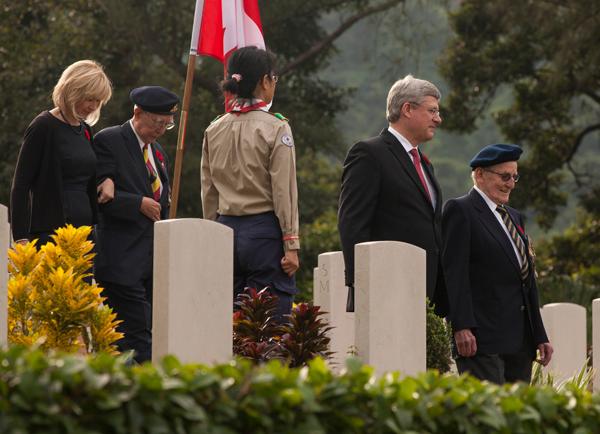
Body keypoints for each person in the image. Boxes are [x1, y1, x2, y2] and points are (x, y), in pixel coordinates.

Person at [201, 46, 300, 318]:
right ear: (264, 81)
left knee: (227, 322)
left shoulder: (214, 128)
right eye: (274, 79)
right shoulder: (276, 127)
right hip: (264, 233)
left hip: (225, 229)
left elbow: (208, 191)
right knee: (268, 325)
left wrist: (212, 238)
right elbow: (284, 191)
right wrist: (291, 244)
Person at [442, 144, 553, 384]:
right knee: (489, 416)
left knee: (516, 417)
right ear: (480, 174)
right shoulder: (460, 210)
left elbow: (527, 279)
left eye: (514, 177)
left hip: (520, 343)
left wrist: (539, 335)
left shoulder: (514, 217)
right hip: (481, 340)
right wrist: (461, 326)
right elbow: (454, 274)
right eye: (504, 176)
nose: (511, 184)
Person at [338, 74, 447, 314]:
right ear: (407, 109)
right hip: (384, 288)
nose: (438, 119)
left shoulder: (425, 165)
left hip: (424, 293)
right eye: (432, 111)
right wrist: (363, 284)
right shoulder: (369, 154)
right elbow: (352, 222)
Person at [92, 86, 179, 363]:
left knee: (149, 331)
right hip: (121, 259)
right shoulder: (110, 140)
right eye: (157, 123)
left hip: (151, 263)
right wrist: (137, 203)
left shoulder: (158, 152)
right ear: (137, 112)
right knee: (136, 336)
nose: (161, 130)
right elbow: (97, 195)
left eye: (167, 124)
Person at [10, 59, 113, 246]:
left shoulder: (85, 129)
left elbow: (85, 173)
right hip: (50, 234)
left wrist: (106, 180)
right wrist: (21, 237)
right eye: (90, 99)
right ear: (72, 91)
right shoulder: (43, 126)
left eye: (98, 101)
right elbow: (21, 185)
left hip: (84, 235)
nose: (93, 107)